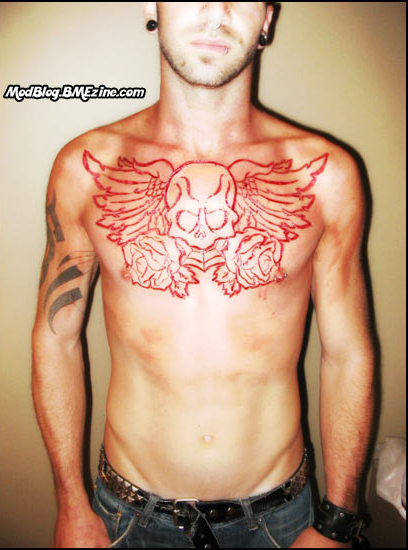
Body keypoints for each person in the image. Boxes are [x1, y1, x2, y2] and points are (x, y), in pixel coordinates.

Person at [31, 2, 374, 548]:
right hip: (128, 518)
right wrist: (71, 502)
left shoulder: (326, 175)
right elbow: (57, 339)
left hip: (281, 522)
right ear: (152, 5)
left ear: (267, 18)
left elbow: (347, 351)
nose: (216, 10)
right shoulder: (85, 168)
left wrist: (338, 520)